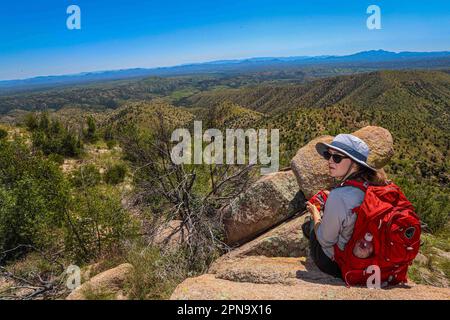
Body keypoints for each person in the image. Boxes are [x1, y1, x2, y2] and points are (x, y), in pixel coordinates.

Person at [302, 134, 388, 278]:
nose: (330, 161)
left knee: (310, 226)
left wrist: (315, 212)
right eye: (328, 155)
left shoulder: (339, 196)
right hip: (370, 261)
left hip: (339, 264)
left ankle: (308, 226)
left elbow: (325, 240)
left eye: (337, 158)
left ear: (354, 164)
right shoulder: (374, 186)